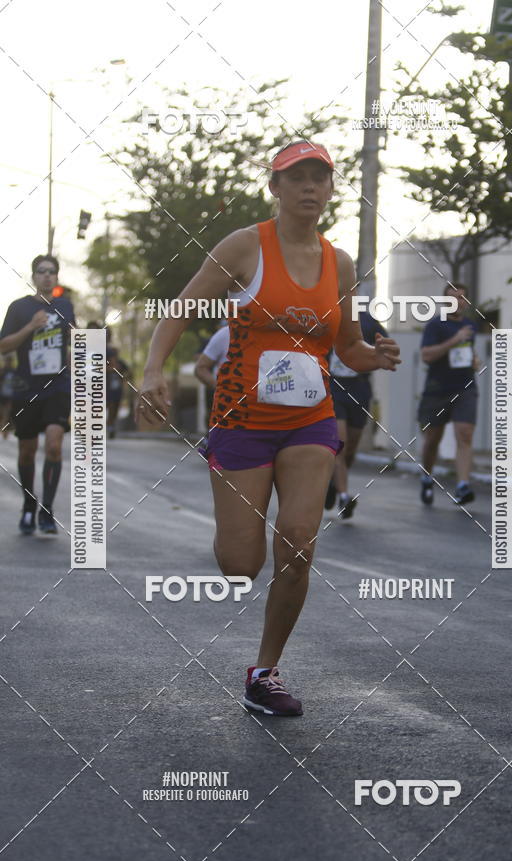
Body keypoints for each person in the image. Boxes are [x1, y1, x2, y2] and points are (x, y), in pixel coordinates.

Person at [138, 139, 400, 716]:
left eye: (319, 178)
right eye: (297, 177)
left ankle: (265, 671)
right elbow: (180, 307)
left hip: (311, 420)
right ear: (275, 187)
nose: (310, 187)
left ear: (331, 190)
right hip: (242, 420)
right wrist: (154, 368)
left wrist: (373, 355)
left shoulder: (341, 263)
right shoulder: (244, 247)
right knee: (240, 564)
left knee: (300, 544)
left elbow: (347, 346)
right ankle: (235, 526)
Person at [0, 255, 76, 534]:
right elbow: (4, 346)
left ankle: (47, 510)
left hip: (57, 387)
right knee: (27, 452)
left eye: (52, 272)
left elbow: (71, 339)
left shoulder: (65, 306)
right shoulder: (19, 308)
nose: (47, 276)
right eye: (42, 272)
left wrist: (74, 355)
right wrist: (31, 327)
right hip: (26, 388)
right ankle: (29, 505)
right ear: (33, 276)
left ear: (57, 277)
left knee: (54, 445)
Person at [417, 282, 480, 506]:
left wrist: (474, 361)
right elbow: (426, 355)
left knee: (465, 435)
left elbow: (465, 353)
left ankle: (463, 486)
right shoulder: (436, 325)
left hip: (465, 386)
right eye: (453, 298)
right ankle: (427, 477)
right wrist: (454, 340)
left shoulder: (470, 327)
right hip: (437, 390)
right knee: (433, 439)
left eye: (462, 298)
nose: (458, 302)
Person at [326, 309, 388, 518]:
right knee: (340, 446)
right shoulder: (325, 315)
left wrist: (380, 354)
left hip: (359, 389)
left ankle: (335, 484)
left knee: (351, 448)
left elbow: (384, 347)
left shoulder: (368, 321)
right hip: (333, 388)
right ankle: (344, 497)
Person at [0, 353, 16, 438]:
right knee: (2, 413)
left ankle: (4, 431)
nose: (8, 362)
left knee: (7, 413)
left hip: (10, 396)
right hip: (2, 395)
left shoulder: (14, 371)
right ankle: (3, 430)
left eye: (9, 360)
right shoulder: (2, 371)